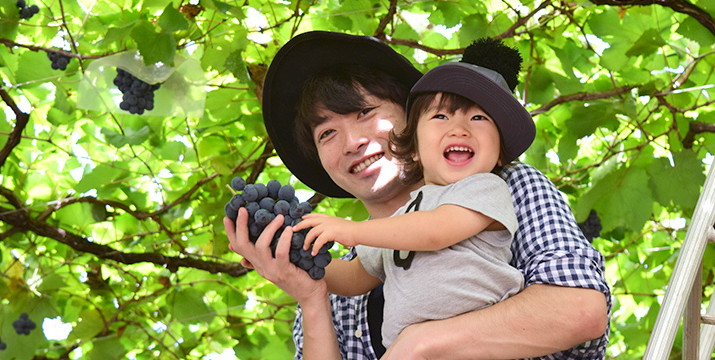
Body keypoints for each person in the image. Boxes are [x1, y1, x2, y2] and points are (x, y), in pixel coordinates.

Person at [224, 31, 610, 359]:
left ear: (414, 121)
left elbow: (580, 311)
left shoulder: (502, 185)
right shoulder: (355, 255)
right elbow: (356, 273)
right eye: (327, 133)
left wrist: (420, 344)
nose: (353, 142)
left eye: (364, 113)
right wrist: (311, 293)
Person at [292, 38, 534, 350]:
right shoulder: (402, 218)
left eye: (478, 119)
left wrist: (351, 230)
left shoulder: (485, 187)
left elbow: (436, 231)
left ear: (500, 155)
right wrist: (290, 254)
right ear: (414, 146)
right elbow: (353, 277)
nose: (458, 130)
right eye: (440, 117)